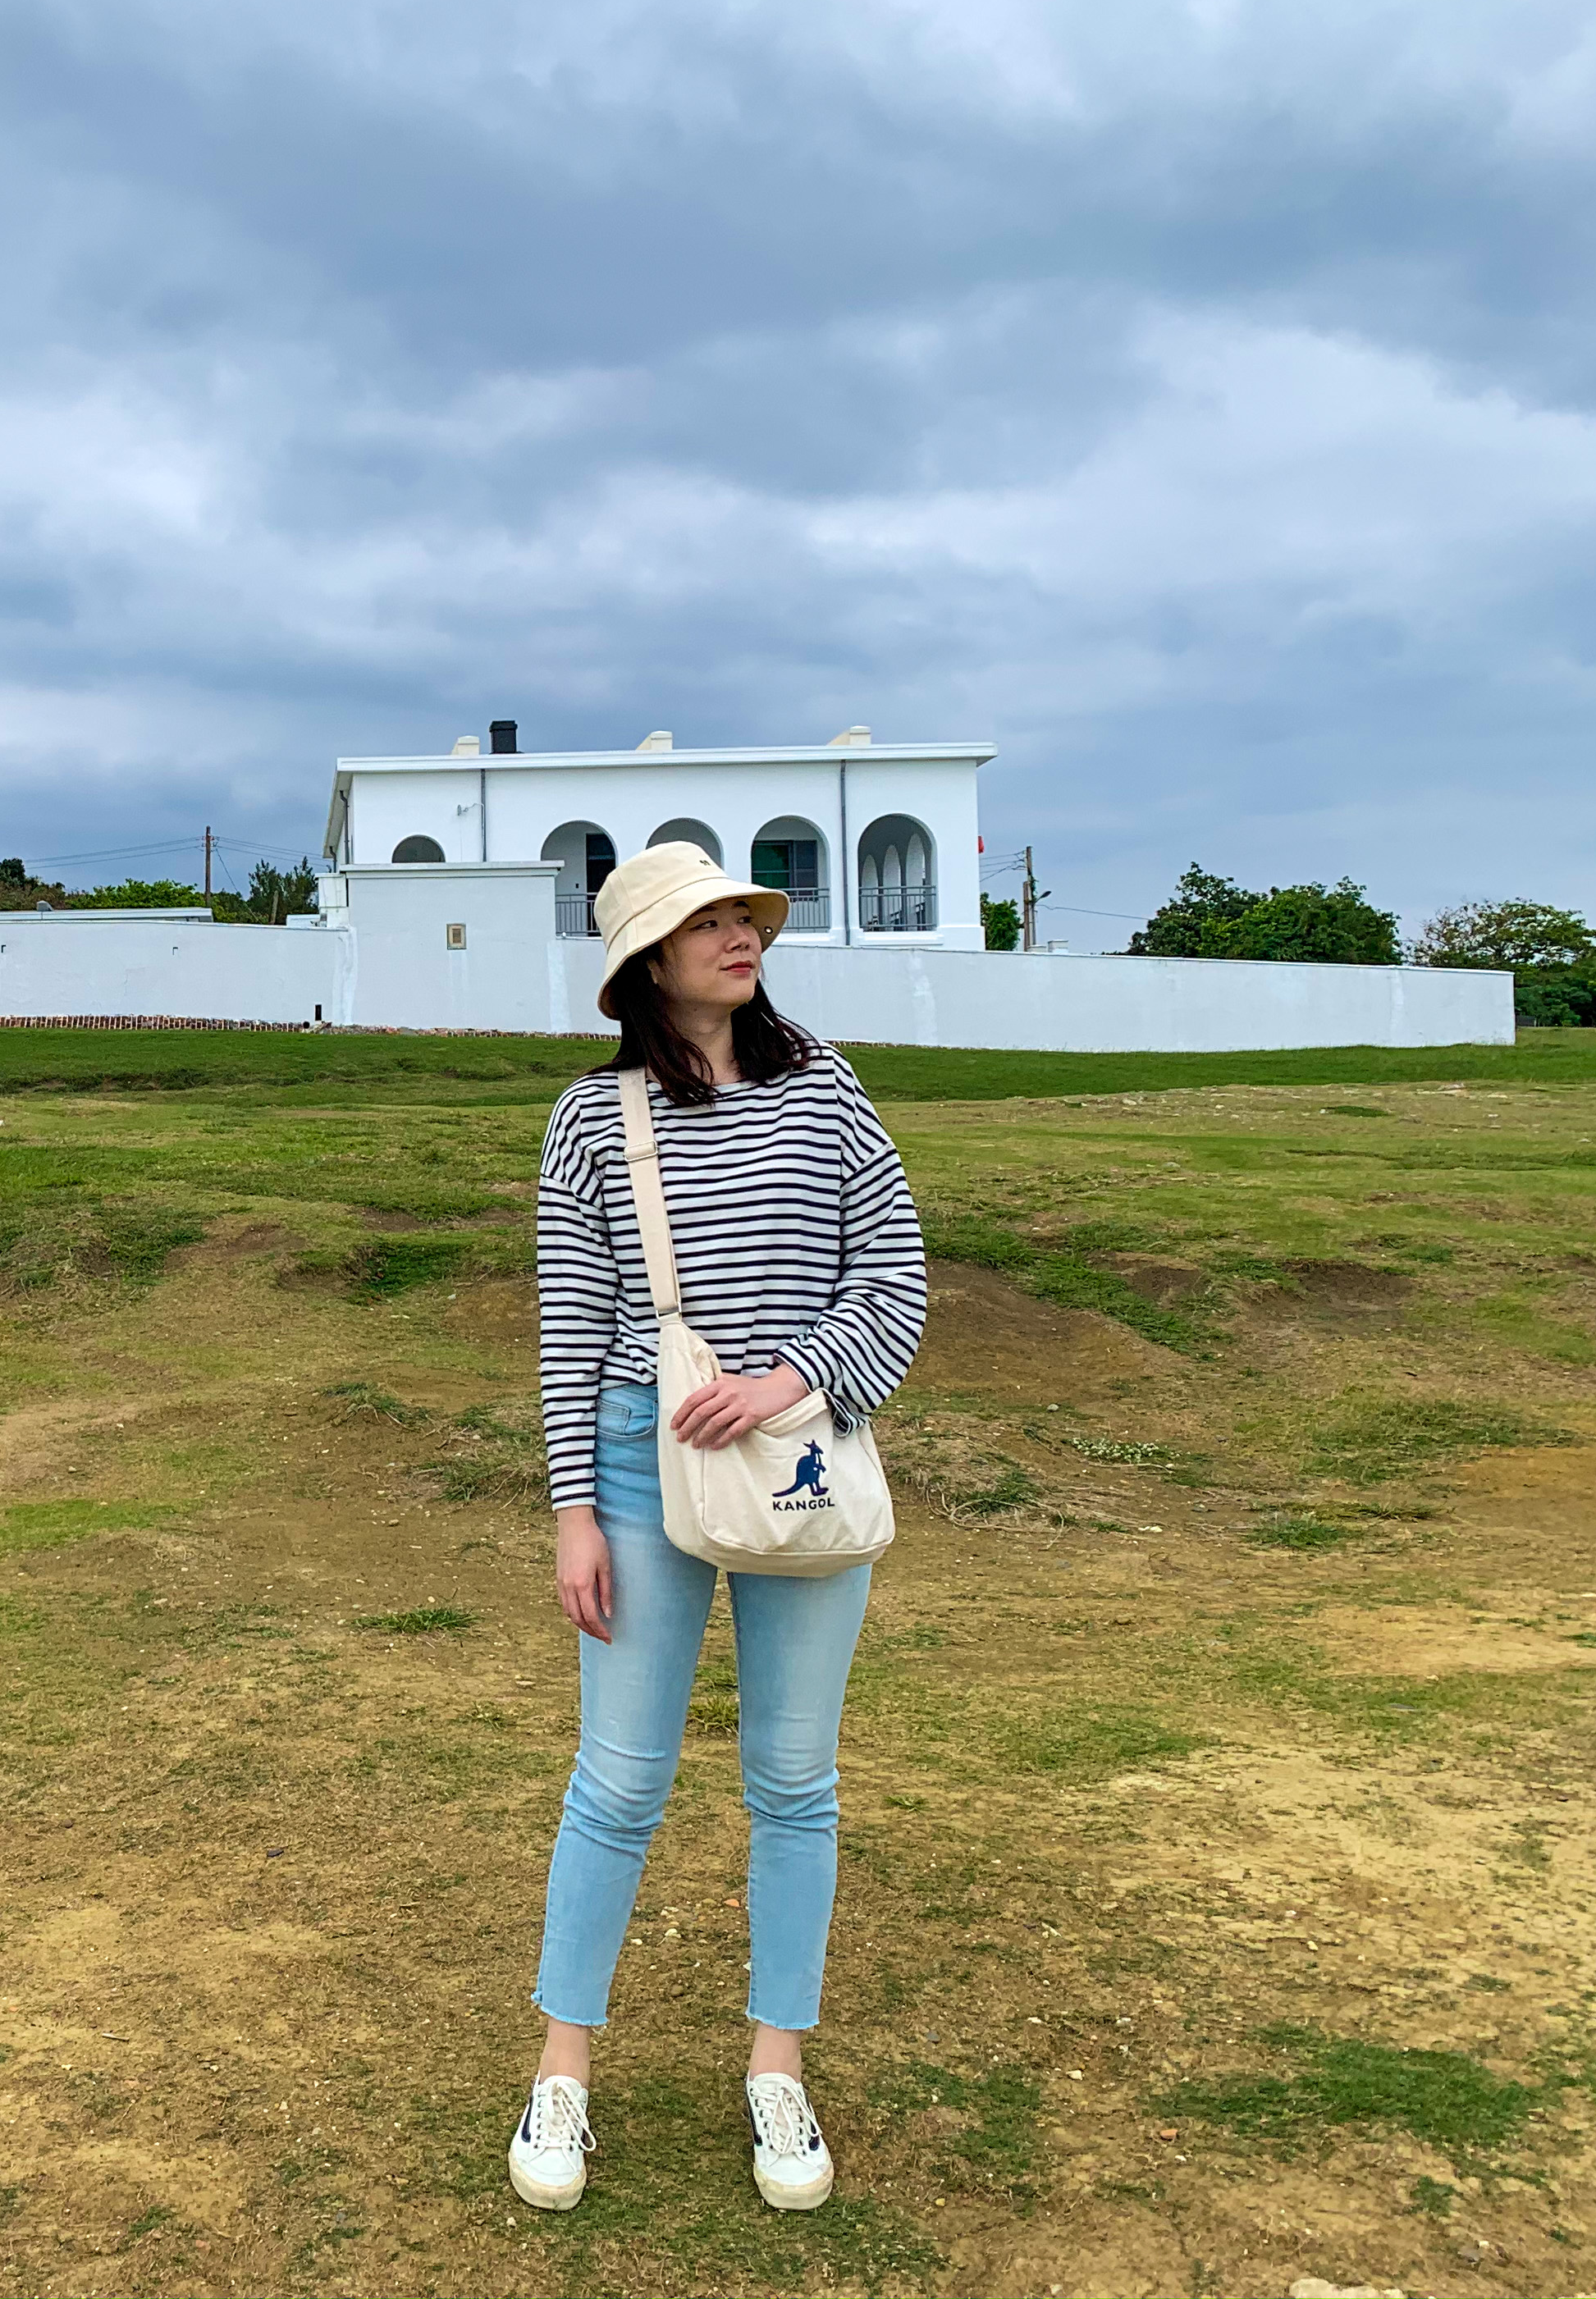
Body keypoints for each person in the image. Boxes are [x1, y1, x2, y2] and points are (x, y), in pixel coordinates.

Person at [504, 840, 926, 2216]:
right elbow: (573, 1332)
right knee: (618, 1782)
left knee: (795, 1782)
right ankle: (562, 2070)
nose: (740, 935)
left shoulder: (829, 1089)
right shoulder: (593, 1117)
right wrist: (573, 1512)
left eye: (745, 915)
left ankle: (777, 2066)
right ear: (648, 961)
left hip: (801, 1460)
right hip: (642, 1467)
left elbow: (896, 1278)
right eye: (707, 923)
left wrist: (791, 1378)